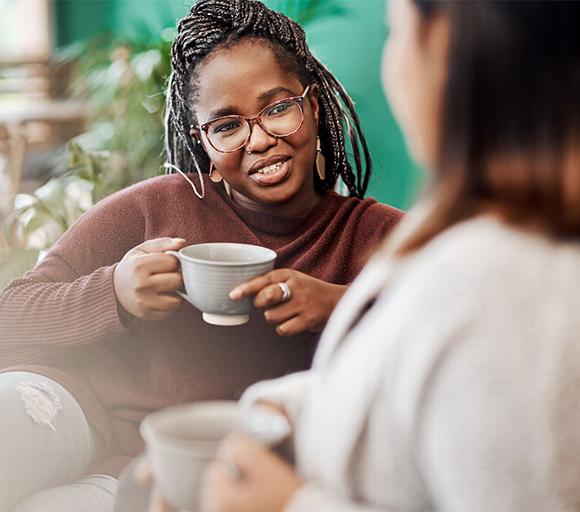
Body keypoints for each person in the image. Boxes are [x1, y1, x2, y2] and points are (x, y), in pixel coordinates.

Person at [0, 0, 402, 510]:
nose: (258, 140)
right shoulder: (152, 207)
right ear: (202, 144)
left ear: (314, 106)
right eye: (227, 126)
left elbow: (465, 337)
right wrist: (115, 293)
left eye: (279, 108)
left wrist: (341, 304)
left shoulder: (379, 237)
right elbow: (10, 318)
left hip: (216, 476)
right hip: (86, 416)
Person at [198, 0, 580, 511]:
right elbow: (421, 396)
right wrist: (280, 414)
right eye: (226, 126)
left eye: (396, 32)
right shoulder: (471, 236)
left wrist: (289, 505)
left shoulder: (503, 283)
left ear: (445, 41)